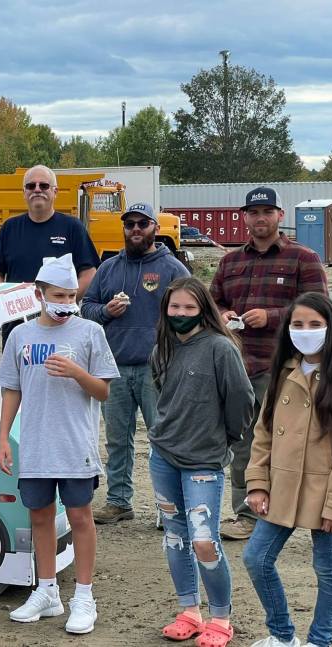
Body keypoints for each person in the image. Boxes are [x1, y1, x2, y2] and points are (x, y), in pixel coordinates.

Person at [0, 254, 120, 635]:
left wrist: (77, 373)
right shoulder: (20, 335)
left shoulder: (90, 333)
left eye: (70, 296)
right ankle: (47, 590)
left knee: (81, 516)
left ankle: (85, 596)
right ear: (39, 294)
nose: (66, 302)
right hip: (35, 442)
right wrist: (3, 436)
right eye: (59, 295)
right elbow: (11, 389)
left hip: (74, 442)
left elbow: (103, 391)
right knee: (39, 516)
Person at [210, 186, 328, 541]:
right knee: (243, 441)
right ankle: (246, 513)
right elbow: (212, 302)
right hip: (237, 366)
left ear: (280, 215)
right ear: (244, 217)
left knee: (295, 441)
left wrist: (274, 316)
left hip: (285, 368)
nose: (260, 218)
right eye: (253, 212)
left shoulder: (303, 258)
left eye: (267, 212)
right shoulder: (230, 262)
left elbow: (321, 309)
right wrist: (223, 313)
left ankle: (302, 510)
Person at [149, 276, 254, 647]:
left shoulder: (220, 349)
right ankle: (189, 611)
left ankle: (221, 618)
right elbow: (164, 394)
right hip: (163, 457)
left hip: (203, 464)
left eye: (189, 307)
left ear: (203, 310)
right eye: (174, 307)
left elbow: (242, 400)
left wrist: (224, 438)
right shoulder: (162, 346)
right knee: (175, 539)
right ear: (166, 310)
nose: (181, 314)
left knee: (204, 541)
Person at [81, 202, 189, 524]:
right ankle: (118, 501)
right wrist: (105, 312)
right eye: (130, 224)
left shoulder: (172, 269)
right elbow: (86, 306)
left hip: (158, 368)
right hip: (113, 368)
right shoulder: (109, 268)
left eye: (143, 224)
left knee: (163, 437)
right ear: (124, 229)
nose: (136, 230)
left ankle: (166, 507)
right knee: (117, 439)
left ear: (155, 227)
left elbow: (191, 306)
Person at [242, 292, 332, 647]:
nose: (306, 331)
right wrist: (257, 484)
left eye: (315, 324)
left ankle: (321, 640)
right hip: (281, 484)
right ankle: (282, 636)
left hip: (324, 492)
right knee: (256, 558)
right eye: (298, 324)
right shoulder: (283, 371)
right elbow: (263, 431)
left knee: (328, 571)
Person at [0, 165, 100, 297]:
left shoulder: (73, 227)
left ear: (55, 192)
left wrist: (67, 302)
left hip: (60, 315)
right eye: (31, 186)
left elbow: (89, 273)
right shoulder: (9, 228)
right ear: (24, 192)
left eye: (44, 186)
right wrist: (5, 302)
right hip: (18, 314)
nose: (37, 189)